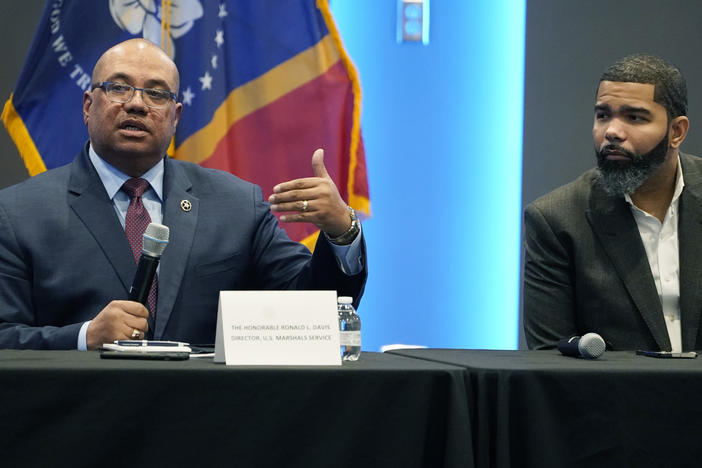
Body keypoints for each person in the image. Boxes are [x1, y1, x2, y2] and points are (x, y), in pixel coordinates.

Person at [0, 39, 366, 350]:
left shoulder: (236, 205)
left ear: (175, 117)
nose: (137, 104)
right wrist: (83, 337)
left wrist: (341, 232)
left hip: (203, 422)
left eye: (156, 93)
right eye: (118, 87)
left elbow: (314, 312)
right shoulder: (20, 214)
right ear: (87, 106)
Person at [522, 53, 702, 352]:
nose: (612, 132)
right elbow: (550, 360)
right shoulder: (556, 220)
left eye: (634, 117)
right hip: (614, 398)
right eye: (603, 115)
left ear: (676, 132)